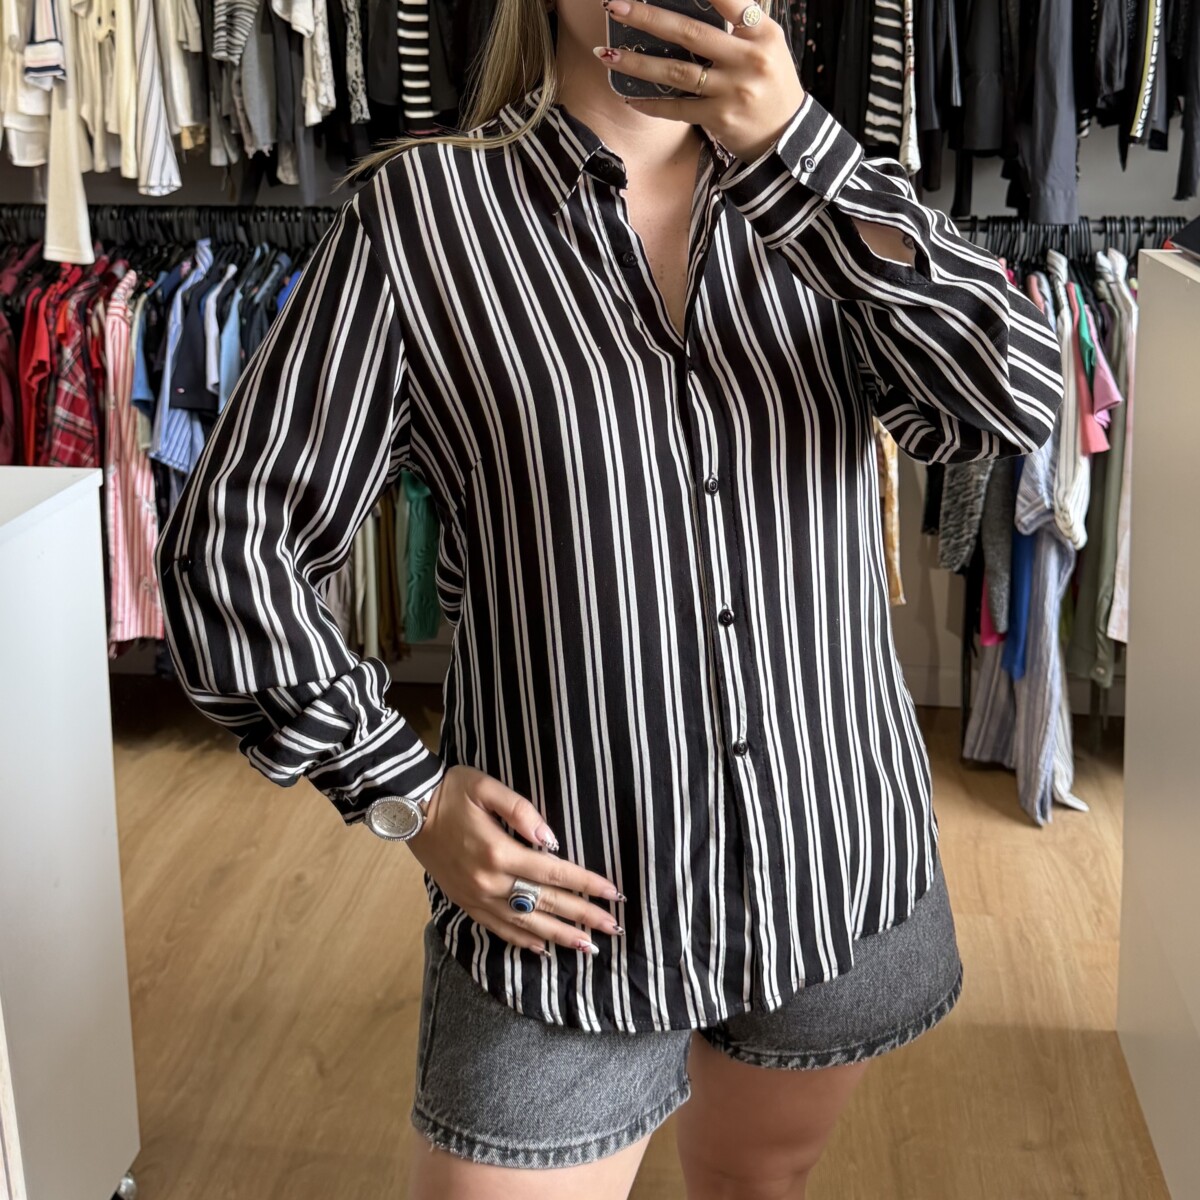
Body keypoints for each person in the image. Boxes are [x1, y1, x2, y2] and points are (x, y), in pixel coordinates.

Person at [155, 0, 1064, 1194]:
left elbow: (1013, 401)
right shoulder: (423, 223)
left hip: (831, 865)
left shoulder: (843, 202)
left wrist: (798, 155)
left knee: (761, 1178)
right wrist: (401, 791)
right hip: (566, 908)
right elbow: (232, 545)